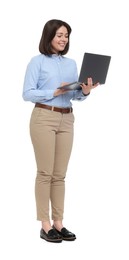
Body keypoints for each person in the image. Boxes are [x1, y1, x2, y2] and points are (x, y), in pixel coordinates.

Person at [22, 19, 99, 243]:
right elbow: (27, 93)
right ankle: (45, 225)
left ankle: (58, 223)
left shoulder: (71, 63)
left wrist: (85, 91)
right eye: (59, 35)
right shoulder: (37, 62)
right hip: (44, 117)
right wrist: (53, 91)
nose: (63, 39)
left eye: (66, 36)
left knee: (60, 175)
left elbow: (73, 96)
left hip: (67, 119)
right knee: (45, 173)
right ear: (49, 37)